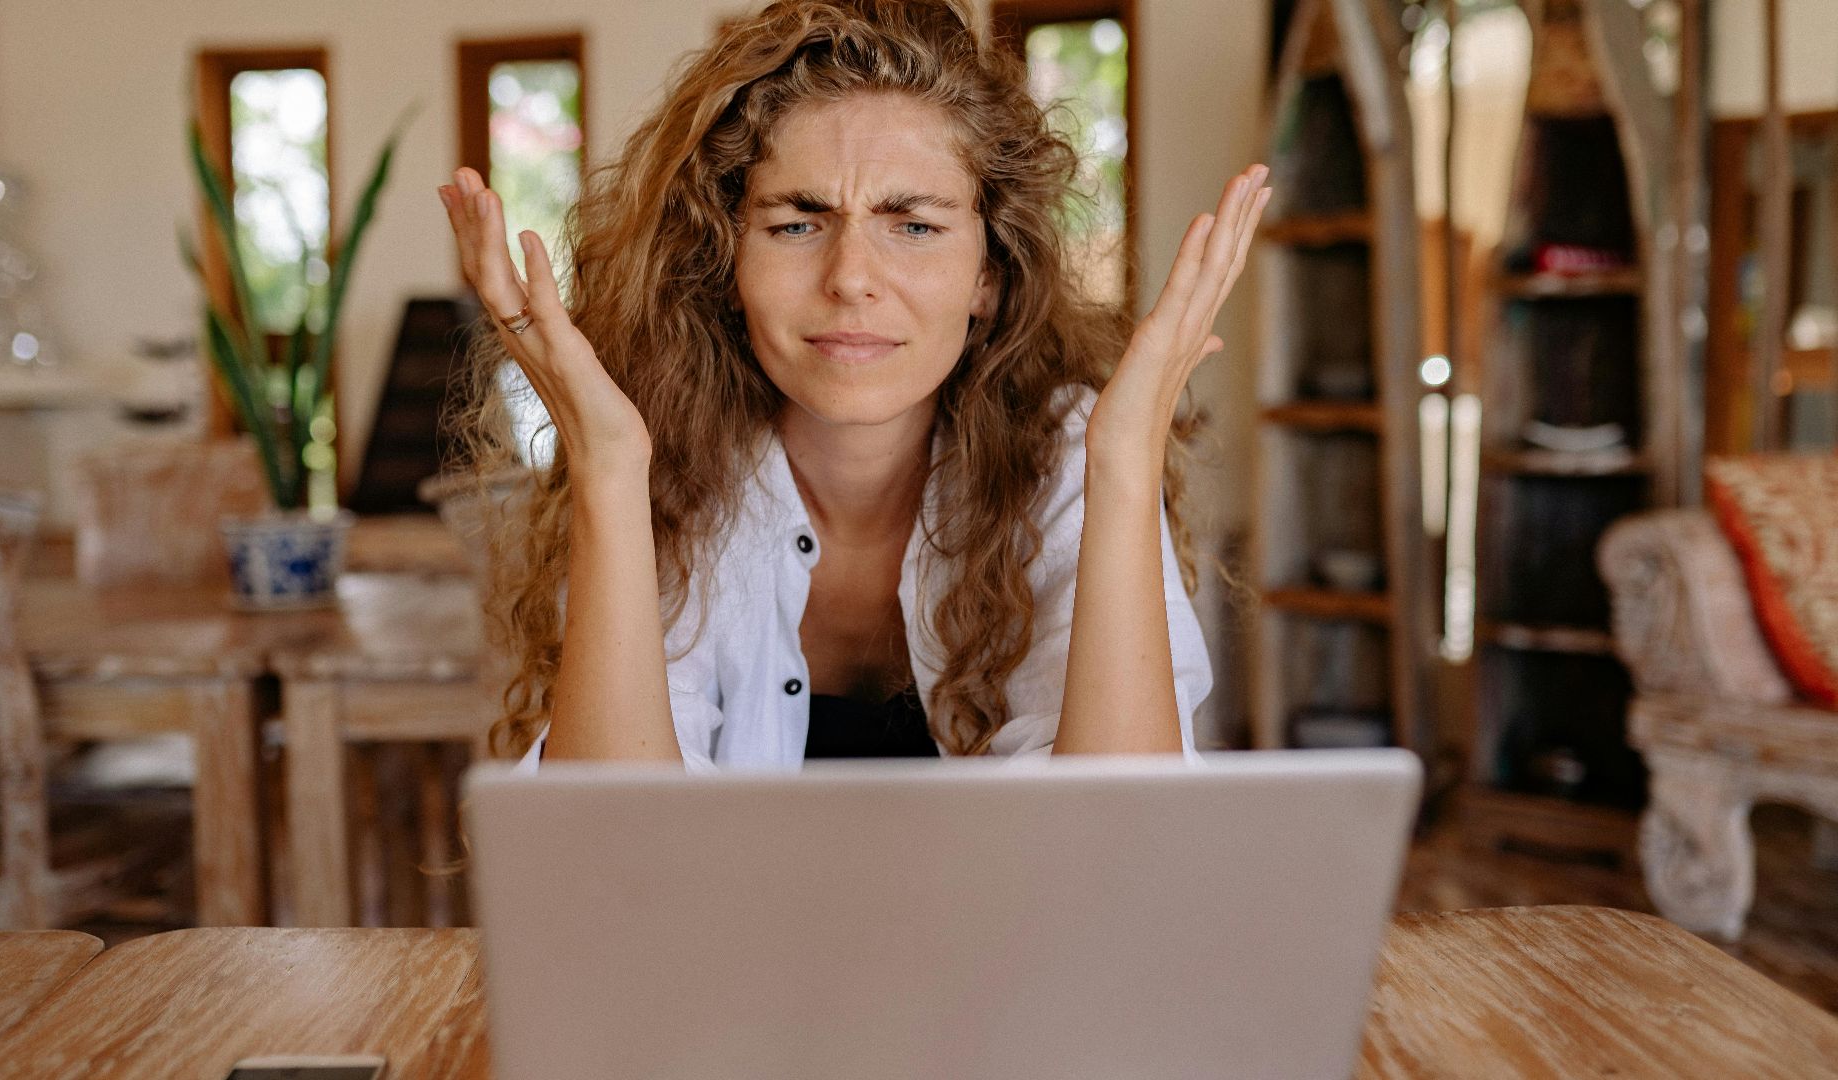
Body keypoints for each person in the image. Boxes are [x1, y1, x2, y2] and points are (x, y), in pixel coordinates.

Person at [437, 0, 1269, 769]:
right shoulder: (664, 457)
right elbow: (613, 859)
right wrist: (610, 469)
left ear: (989, 273)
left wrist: (1123, 459)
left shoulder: (1062, 453)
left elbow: (1118, 856)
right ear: (726, 262)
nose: (852, 279)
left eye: (914, 225)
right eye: (797, 223)